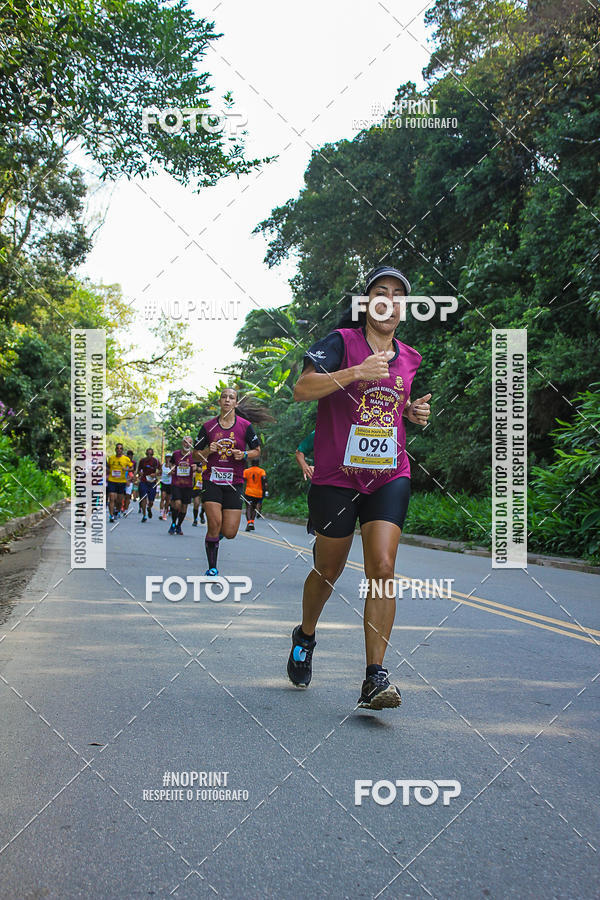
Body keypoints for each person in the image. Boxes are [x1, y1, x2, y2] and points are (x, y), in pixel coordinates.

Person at [287, 265, 432, 710]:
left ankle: (374, 677)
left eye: (397, 295)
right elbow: (301, 389)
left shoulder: (410, 357)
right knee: (328, 570)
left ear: (403, 308)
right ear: (367, 304)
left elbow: (393, 404)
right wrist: (355, 372)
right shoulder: (341, 342)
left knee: (383, 568)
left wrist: (411, 414)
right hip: (335, 478)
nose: (388, 300)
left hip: (389, 475)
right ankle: (305, 634)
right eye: (379, 293)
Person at [195, 388, 265, 576]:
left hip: (234, 482)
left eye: (231, 397)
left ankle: (213, 539)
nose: (227, 400)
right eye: (224, 397)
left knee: (230, 531)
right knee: (214, 523)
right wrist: (208, 451)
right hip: (212, 481)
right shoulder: (208, 426)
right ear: (219, 402)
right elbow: (195, 455)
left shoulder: (245, 426)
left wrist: (243, 454)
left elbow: (257, 451)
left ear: (236, 403)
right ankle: (212, 567)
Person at [169, 436, 195, 535]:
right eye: (185, 442)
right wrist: (172, 468)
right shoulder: (176, 454)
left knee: (184, 507)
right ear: (182, 443)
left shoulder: (193, 456)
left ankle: (179, 525)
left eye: (189, 443)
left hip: (188, 485)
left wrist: (196, 468)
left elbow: (200, 468)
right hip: (176, 483)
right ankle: (173, 523)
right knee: (177, 503)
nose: (187, 444)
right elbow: (170, 464)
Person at [106, 442, 131, 523]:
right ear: (115, 449)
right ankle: (111, 515)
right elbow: (108, 467)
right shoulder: (111, 458)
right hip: (112, 481)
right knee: (112, 498)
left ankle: (117, 510)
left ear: (122, 450)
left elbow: (132, 468)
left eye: (121, 448)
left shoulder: (126, 459)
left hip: (121, 481)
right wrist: (108, 471)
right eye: (117, 448)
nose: (119, 450)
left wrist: (127, 469)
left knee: (119, 501)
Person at [242, 460, 268, 531]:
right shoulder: (261, 471)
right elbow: (264, 480)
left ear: (251, 463)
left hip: (249, 492)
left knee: (248, 507)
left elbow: (242, 480)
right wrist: (266, 491)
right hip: (258, 493)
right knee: (254, 508)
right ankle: (252, 523)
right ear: (258, 464)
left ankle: (249, 522)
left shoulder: (246, 471)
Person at [138, 447, 160, 522]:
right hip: (144, 481)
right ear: (146, 454)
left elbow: (161, 471)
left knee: (151, 501)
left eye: (151, 454)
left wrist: (155, 474)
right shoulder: (142, 461)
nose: (149, 455)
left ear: (153, 454)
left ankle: (149, 508)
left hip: (152, 482)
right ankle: (144, 515)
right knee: (143, 498)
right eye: (148, 454)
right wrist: (140, 473)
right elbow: (138, 470)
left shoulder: (156, 461)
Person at [159, 454, 172, 520]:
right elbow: (159, 473)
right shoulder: (162, 465)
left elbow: (174, 473)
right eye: (167, 457)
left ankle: (165, 511)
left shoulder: (172, 466)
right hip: (163, 483)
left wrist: (171, 470)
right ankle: (161, 512)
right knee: (162, 497)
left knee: (168, 500)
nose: (168, 459)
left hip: (170, 484)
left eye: (169, 458)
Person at [123, 449, 136, 514]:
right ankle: (120, 508)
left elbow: (134, 471)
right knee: (122, 495)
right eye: (129, 455)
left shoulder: (134, 462)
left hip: (130, 480)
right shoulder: (123, 461)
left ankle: (126, 509)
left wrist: (134, 478)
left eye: (131, 455)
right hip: (122, 480)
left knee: (128, 496)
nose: (130, 457)